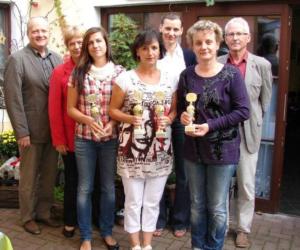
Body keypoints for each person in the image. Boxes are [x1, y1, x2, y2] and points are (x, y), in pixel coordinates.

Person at [178, 20, 250, 250]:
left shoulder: (231, 75)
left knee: (217, 207)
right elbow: (182, 106)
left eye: (209, 41)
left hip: (223, 151)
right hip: (193, 151)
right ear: (192, 45)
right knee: (197, 204)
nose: (204, 46)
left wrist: (211, 125)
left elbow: (243, 111)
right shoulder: (187, 75)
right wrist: (184, 117)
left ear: (218, 43)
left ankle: (214, 247)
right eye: (198, 43)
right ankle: (198, 246)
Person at [109, 29, 178, 250]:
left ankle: (147, 245)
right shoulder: (124, 78)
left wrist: (168, 119)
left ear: (160, 50)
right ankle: (135, 245)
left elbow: (174, 110)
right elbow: (112, 111)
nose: (150, 52)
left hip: (160, 150)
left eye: (154, 47)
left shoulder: (171, 79)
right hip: (132, 152)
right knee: (133, 202)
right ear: (137, 51)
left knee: (152, 202)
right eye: (145, 48)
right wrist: (130, 117)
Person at [3, 17, 62, 235]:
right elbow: (13, 99)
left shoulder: (57, 58)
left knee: (48, 175)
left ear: (49, 33)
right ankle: (27, 216)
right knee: (28, 178)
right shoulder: (17, 60)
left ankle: (44, 212)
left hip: (52, 131)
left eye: (44, 31)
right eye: (35, 31)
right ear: (29, 33)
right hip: (30, 132)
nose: (40, 35)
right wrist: (22, 132)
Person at [67, 27, 123, 250]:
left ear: (106, 43)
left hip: (109, 139)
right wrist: (89, 121)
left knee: (108, 188)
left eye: (99, 41)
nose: (95, 46)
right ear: (86, 48)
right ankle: (87, 237)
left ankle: (107, 232)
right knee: (85, 188)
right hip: (85, 139)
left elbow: (125, 107)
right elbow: (70, 109)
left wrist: (112, 125)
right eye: (90, 43)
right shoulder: (78, 73)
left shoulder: (120, 73)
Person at [219, 17, 272, 248]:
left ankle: (243, 229)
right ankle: (221, 225)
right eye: (231, 34)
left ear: (248, 38)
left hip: (248, 132)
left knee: (246, 184)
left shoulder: (262, 65)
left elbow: (265, 101)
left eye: (240, 34)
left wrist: (255, 121)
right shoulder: (219, 62)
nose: (235, 38)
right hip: (221, 133)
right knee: (221, 183)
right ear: (225, 38)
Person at [155, 13, 196, 238]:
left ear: (181, 31)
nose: (171, 33)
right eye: (167, 28)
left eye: (175, 29)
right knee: (159, 169)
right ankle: (158, 218)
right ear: (161, 28)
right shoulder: (152, 51)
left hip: (181, 118)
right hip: (158, 118)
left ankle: (180, 219)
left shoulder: (189, 56)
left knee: (183, 170)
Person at [48, 25, 84, 238]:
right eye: (73, 43)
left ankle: (90, 218)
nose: (77, 46)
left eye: (80, 42)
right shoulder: (59, 72)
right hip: (70, 138)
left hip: (94, 137)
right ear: (67, 46)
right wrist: (58, 139)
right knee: (72, 181)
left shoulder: (94, 67)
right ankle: (70, 221)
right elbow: (53, 109)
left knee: (93, 182)